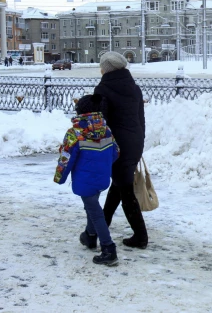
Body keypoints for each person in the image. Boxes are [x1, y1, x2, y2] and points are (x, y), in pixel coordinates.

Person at [54, 94, 120, 266]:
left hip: (85, 179)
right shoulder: (106, 129)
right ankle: (90, 236)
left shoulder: (75, 133)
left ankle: (108, 248)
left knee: (96, 212)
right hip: (102, 178)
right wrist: (101, 166)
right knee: (92, 206)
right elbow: (115, 152)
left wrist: (59, 178)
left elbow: (65, 159)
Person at [94, 51, 148, 249]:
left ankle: (141, 237)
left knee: (125, 190)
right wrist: (139, 141)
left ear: (106, 69)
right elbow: (140, 119)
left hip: (116, 146)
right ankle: (96, 229)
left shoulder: (103, 89)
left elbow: (101, 123)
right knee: (118, 186)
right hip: (135, 142)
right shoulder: (134, 88)